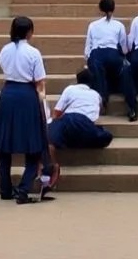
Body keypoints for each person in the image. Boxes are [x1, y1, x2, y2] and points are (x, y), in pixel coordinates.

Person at [0, 16, 48, 204]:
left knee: (5, 145)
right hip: (26, 94)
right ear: (29, 31)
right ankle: (23, 189)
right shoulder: (33, 52)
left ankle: (5, 189)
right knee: (34, 144)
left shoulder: (5, 50)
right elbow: (39, 82)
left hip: (8, 93)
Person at [42, 67, 114, 196]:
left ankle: (53, 165)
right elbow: (99, 111)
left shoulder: (70, 89)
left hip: (69, 120)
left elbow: (57, 112)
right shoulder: (96, 95)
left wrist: (53, 123)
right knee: (105, 135)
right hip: (87, 127)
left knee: (49, 139)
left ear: (77, 80)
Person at [84, 0, 138, 121]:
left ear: (100, 9)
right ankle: (132, 107)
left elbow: (88, 46)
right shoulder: (118, 25)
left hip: (97, 54)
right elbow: (124, 48)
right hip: (113, 55)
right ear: (113, 9)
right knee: (125, 71)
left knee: (97, 70)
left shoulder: (93, 25)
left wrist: (88, 58)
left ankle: (102, 99)